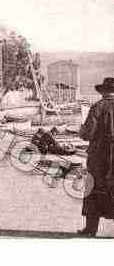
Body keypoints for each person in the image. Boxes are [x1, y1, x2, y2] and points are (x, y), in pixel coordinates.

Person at [78, 77, 114, 237]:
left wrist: (81, 131)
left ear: (103, 91)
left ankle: (91, 229)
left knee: (93, 189)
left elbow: (87, 134)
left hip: (99, 156)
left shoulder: (98, 107)